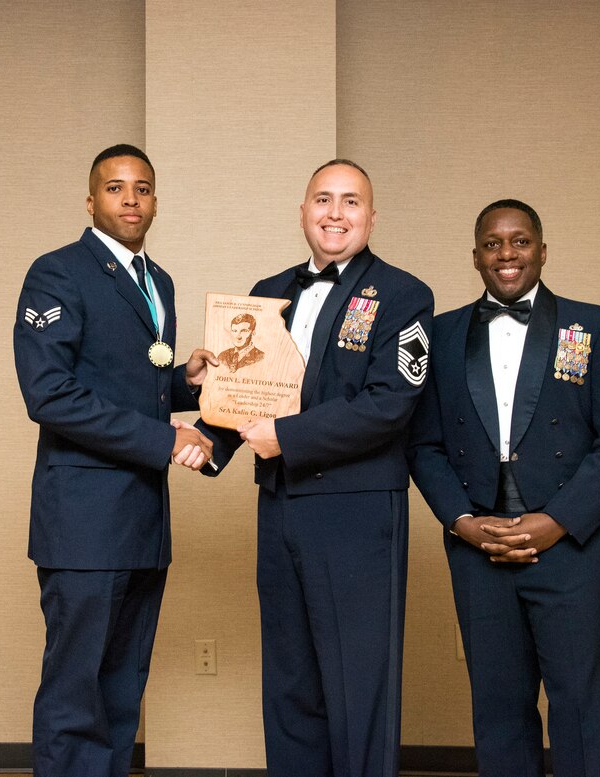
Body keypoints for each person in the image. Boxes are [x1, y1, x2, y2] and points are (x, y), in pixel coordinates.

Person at [197, 160, 433, 777]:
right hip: (278, 507)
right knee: (290, 682)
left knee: (359, 687)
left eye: (350, 202)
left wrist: (286, 436)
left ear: (372, 217)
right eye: (323, 200)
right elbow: (243, 394)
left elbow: (390, 405)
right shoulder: (268, 290)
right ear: (302, 212)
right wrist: (203, 441)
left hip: (357, 513)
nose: (335, 213)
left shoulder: (405, 295)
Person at [407, 200, 600, 776]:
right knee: (497, 709)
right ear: (475, 257)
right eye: (493, 244)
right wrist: (463, 522)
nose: (506, 254)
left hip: (570, 550)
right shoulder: (438, 336)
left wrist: (557, 519)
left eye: (519, 242)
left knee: (583, 707)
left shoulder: (593, 327)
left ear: (542, 250)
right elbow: (423, 445)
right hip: (478, 549)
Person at [13, 144, 216, 777]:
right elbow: (51, 395)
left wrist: (188, 381)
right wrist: (168, 441)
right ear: (91, 200)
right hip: (83, 520)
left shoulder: (160, 281)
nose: (131, 199)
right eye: (116, 188)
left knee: (122, 688)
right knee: (76, 693)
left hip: (142, 521)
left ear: (156, 200)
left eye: (143, 188)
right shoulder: (57, 273)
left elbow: (133, 381)